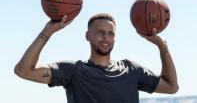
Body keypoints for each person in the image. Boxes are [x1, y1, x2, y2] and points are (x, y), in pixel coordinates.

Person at [14, 13, 178, 103]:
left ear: (114, 38)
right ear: (88, 36)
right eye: (100, 32)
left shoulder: (132, 70)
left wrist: (163, 48)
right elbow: (24, 71)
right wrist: (47, 32)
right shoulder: (73, 71)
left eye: (110, 34)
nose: (106, 37)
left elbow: (172, 87)